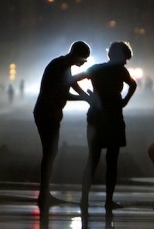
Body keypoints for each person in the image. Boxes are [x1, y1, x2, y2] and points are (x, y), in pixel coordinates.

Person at [78, 41, 137, 211]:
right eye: (125, 58)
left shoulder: (96, 69)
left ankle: (84, 199)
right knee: (112, 162)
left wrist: (86, 97)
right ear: (119, 57)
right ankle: (108, 201)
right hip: (114, 118)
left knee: (93, 159)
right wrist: (124, 100)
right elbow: (133, 85)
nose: (126, 62)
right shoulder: (120, 70)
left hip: (96, 117)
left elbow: (73, 80)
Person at [33, 41, 91, 208]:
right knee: (49, 153)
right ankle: (44, 195)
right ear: (76, 54)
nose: (84, 63)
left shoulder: (63, 64)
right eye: (84, 59)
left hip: (50, 113)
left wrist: (84, 95)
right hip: (46, 113)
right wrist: (84, 98)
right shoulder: (59, 66)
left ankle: (45, 193)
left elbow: (71, 83)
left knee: (51, 152)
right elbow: (63, 93)